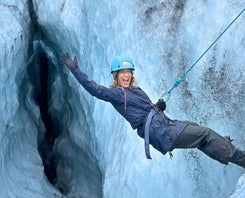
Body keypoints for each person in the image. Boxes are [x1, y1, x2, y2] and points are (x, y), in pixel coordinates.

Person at [61, 53, 245, 168]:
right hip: (161, 132)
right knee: (204, 134)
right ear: (116, 76)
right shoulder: (117, 94)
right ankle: (240, 158)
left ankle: (223, 151)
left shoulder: (134, 90)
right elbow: (95, 90)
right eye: (121, 73)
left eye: (128, 72)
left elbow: (140, 112)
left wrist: (157, 107)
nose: (126, 75)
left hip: (164, 125)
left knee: (196, 130)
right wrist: (75, 70)